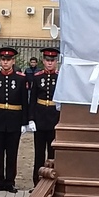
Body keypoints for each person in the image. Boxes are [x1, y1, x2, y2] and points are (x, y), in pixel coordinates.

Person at [0, 46, 28, 192]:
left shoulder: (20, 79)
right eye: (3, 59)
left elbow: (25, 101)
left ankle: (10, 181)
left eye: (8, 60)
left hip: (14, 120)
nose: (5, 62)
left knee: (12, 153)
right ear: (0, 61)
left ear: (13, 61)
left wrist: (25, 122)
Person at [27, 47, 61, 185]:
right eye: (47, 60)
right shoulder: (37, 77)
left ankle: (52, 183)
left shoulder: (60, 78)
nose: (50, 63)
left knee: (53, 154)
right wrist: (31, 118)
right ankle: (37, 183)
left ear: (56, 61)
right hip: (40, 118)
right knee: (39, 154)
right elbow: (32, 100)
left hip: (54, 117)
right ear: (43, 61)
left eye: (52, 60)